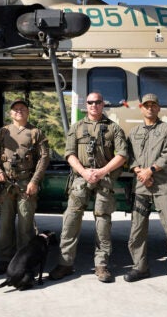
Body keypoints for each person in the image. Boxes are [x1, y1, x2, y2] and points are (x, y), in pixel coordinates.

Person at [49, 92, 128, 283]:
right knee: (71, 220)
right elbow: (69, 154)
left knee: (103, 222)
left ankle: (101, 264)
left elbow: (123, 154)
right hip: (80, 179)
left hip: (104, 180)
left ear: (103, 104)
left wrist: (101, 172)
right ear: (86, 105)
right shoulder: (76, 128)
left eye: (98, 102)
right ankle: (65, 263)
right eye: (90, 102)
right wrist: (84, 172)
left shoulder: (113, 128)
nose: (94, 105)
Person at [124, 94, 167, 294]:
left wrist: (150, 170)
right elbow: (129, 156)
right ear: (141, 108)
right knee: (137, 230)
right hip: (142, 186)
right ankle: (140, 267)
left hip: (164, 186)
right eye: (146, 105)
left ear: (158, 108)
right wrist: (139, 172)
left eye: (154, 105)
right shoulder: (134, 132)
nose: (150, 108)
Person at [0, 98, 50, 275]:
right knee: (5, 225)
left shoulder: (36, 132)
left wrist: (34, 181)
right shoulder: (3, 131)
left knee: (25, 226)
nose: (19, 111)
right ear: (10, 113)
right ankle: (5, 260)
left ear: (28, 112)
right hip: (5, 184)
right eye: (15, 109)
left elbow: (44, 158)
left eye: (22, 108)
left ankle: (25, 261)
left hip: (25, 184)